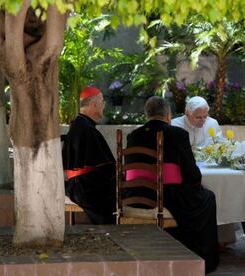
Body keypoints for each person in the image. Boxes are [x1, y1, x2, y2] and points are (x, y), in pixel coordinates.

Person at [126, 96, 219, 273]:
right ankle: (199, 256)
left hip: (136, 195)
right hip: (168, 195)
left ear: (146, 115)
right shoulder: (177, 134)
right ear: (168, 115)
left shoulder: (134, 135)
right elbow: (192, 174)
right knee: (208, 198)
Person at [62, 86, 116, 224]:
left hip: (74, 186)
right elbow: (106, 169)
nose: (103, 106)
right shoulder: (87, 129)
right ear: (94, 105)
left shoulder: (79, 125)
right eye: (102, 102)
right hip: (84, 189)